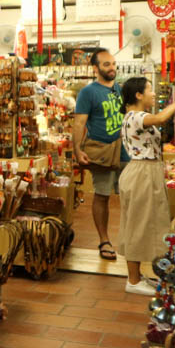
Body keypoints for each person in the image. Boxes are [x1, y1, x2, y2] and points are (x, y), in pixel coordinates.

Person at [117, 77, 175, 295]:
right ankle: (133, 281)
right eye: (149, 89)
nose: (153, 93)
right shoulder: (137, 116)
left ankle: (137, 277)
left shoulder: (133, 116)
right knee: (138, 224)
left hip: (145, 172)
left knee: (142, 222)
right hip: (142, 173)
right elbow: (159, 118)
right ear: (138, 95)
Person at [72, 50, 125, 262]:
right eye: (106, 64)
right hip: (102, 151)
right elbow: (79, 123)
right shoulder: (88, 92)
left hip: (125, 151)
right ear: (96, 68)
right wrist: (77, 149)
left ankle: (129, 241)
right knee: (102, 195)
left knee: (129, 197)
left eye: (113, 64)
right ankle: (104, 240)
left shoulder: (120, 89)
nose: (111, 68)